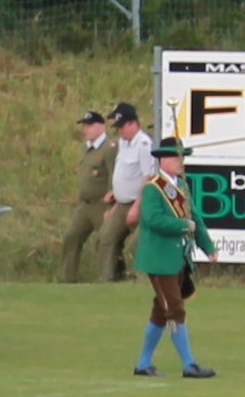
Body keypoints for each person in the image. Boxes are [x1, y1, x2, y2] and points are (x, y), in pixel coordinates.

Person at [130, 133, 215, 377]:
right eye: (177, 158)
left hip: (177, 258)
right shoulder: (153, 188)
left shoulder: (182, 186)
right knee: (174, 309)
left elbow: (195, 217)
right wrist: (182, 225)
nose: (180, 162)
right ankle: (189, 364)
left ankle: (143, 363)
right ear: (164, 160)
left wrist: (208, 246)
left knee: (161, 310)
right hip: (159, 259)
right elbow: (153, 220)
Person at [56, 107, 118, 284]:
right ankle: (67, 278)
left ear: (101, 127)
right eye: (84, 126)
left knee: (105, 241)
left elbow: (114, 174)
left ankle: (107, 278)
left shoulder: (110, 148)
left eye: (89, 126)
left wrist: (112, 202)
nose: (85, 130)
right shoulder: (86, 148)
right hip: (85, 204)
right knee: (71, 236)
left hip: (101, 203)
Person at [98, 101, 152, 283]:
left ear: (133, 124)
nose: (119, 131)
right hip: (121, 203)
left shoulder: (144, 144)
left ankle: (139, 279)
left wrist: (136, 206)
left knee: (136, 246)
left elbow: (148, 177)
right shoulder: (123, 143)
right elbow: (124, 172)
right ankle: (108, 279)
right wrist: (115, 194)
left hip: (138, 202)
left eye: (122, 126)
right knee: (106, 238)